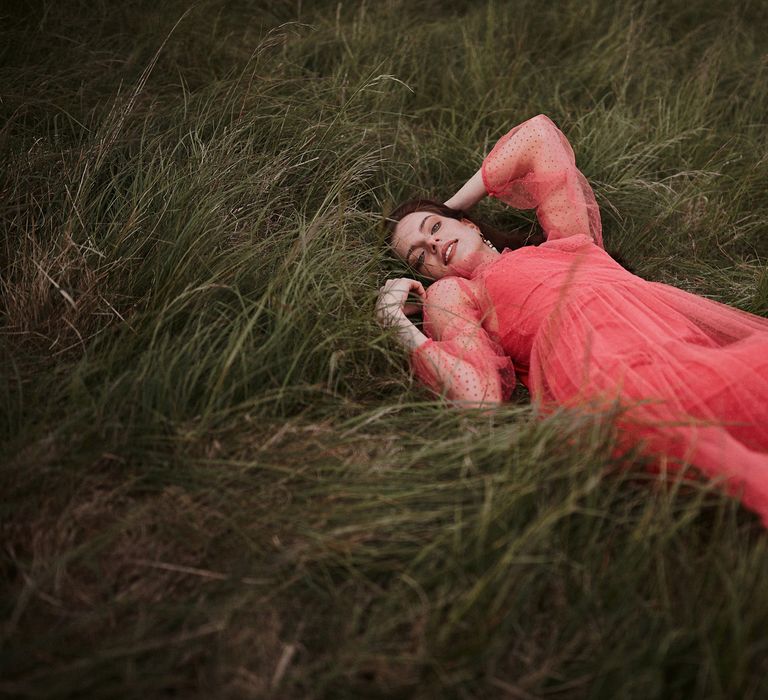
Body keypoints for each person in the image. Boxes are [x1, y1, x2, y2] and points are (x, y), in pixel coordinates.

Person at [376, 114, 768, 526]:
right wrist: (397, 325)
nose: (434, 244)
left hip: (672, 348)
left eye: (433, 228)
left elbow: (538, 135)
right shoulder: (455, 292)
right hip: (600, 377)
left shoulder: (567, 242)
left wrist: (450, 206)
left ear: (469, 222)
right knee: (675, 422)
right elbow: (479, 397)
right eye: (420, 256)